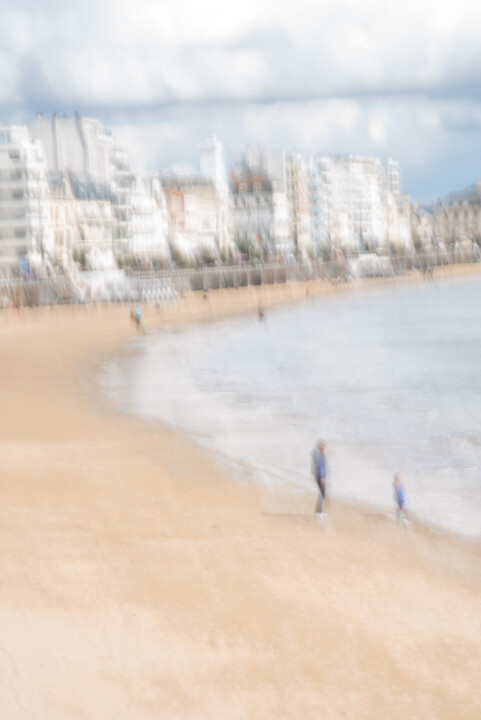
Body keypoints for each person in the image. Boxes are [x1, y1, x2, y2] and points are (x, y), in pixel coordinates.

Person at [312, 439, 327, 515]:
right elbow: (319, 466)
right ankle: (318, 512)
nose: (325, 447)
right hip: (320, 477)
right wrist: (321, 477)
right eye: (324, 445)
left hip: (321, 477)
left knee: (322, 493)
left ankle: (319, 511)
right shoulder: (318, 454)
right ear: (320, 446)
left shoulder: (320, 454)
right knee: (322, 493)